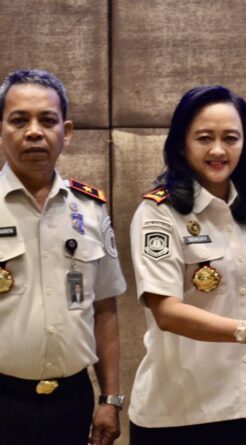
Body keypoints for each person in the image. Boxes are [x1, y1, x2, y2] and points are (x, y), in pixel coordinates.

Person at [128, 85, 246, 445]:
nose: (218, 150)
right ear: (181, 143)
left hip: (242, 402)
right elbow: (167, 312)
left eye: (230, 138)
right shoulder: (158, 213)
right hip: (177, 408)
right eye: (204, 138)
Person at [0, 69, 126, 445]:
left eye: (47, 120)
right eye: (19, 120)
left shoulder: (90, 209)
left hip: (72, 401)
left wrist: (110, 399)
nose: (34, 131)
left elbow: (105, 309)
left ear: (66, 132)